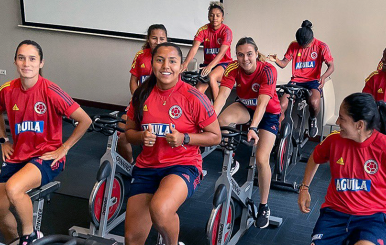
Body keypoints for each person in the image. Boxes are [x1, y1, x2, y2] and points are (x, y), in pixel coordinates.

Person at [124, 42, 221, 245]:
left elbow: (215, 136)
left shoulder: (193, 97)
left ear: (181, 66)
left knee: (160, 210)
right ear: (152, 63)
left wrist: (185, 138)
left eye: (172, 61)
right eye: (160, 60)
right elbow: (129, 132)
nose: (166, 66)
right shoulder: (141, 95)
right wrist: (141, 137)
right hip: (147, 167)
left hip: (182, 164)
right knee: (132, 239)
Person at [0, 40, 92, 245]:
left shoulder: (50, 90)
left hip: (46, 156)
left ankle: (30, 235)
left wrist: (64, 148)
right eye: (21, 58)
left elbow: (85, 120)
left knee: (14, 189)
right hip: (19, 155)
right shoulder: (7, 90)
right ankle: (14, 240)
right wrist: (3, 140)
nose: (26, 63)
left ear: (41, 63)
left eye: (32, 59)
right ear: (15, 61)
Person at [298, 93, 386, 245]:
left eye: (342, 118)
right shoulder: (334, 140)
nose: (337, 121)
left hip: (371, 217)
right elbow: (315, 157)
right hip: (335, 213)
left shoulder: (383, 146)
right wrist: (304, 188)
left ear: (359, 125)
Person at [213, 37, 281, 228]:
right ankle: (232, 160)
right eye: (240, 55)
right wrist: (208, 121)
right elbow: (223, 96)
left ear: (256, 54)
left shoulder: (268, 70)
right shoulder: (232, 68)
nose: (245, 59)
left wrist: (253, 128)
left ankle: (264, 205)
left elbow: (262, 103)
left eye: (249, 54)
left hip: (267, 113)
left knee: (261, 158)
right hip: (245, 107)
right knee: (222, 120)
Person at [267, 20, 334, 138]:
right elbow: (283, 64)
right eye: (300, 45)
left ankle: (312, 120)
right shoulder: (293, 45)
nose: (302, 48)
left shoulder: (321, 46)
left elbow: (331, 66)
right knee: (281, 105)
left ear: (312, 39)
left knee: (314, 102)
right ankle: (279, 132)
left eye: (305, 46)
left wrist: (323, 77)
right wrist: (276, 60)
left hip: (312, 81)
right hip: (296, 81)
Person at [118, 24, 168, 164]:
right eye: (154, 38)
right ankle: (129, 165)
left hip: (161, 105)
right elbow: (133, 80)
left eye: (161, 38)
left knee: (160, 137)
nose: (157, 42)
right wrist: (137, 98)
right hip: (140, 101)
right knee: (121, 135)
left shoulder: (171, 57)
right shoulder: (140, 55)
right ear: (148, 39)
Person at [181, 1, 232, 100]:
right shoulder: (203, 30)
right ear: (208, 17)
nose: (215, 18)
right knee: (197, 91)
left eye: (218, 15)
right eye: (212, 15)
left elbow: (222, 53)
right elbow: (194, 48)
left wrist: (210, 67)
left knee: (212, 76)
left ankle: (216, 110)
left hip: (224, 64)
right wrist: (185, 63)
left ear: (222, 18)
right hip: (207, 65)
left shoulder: (226, 31)